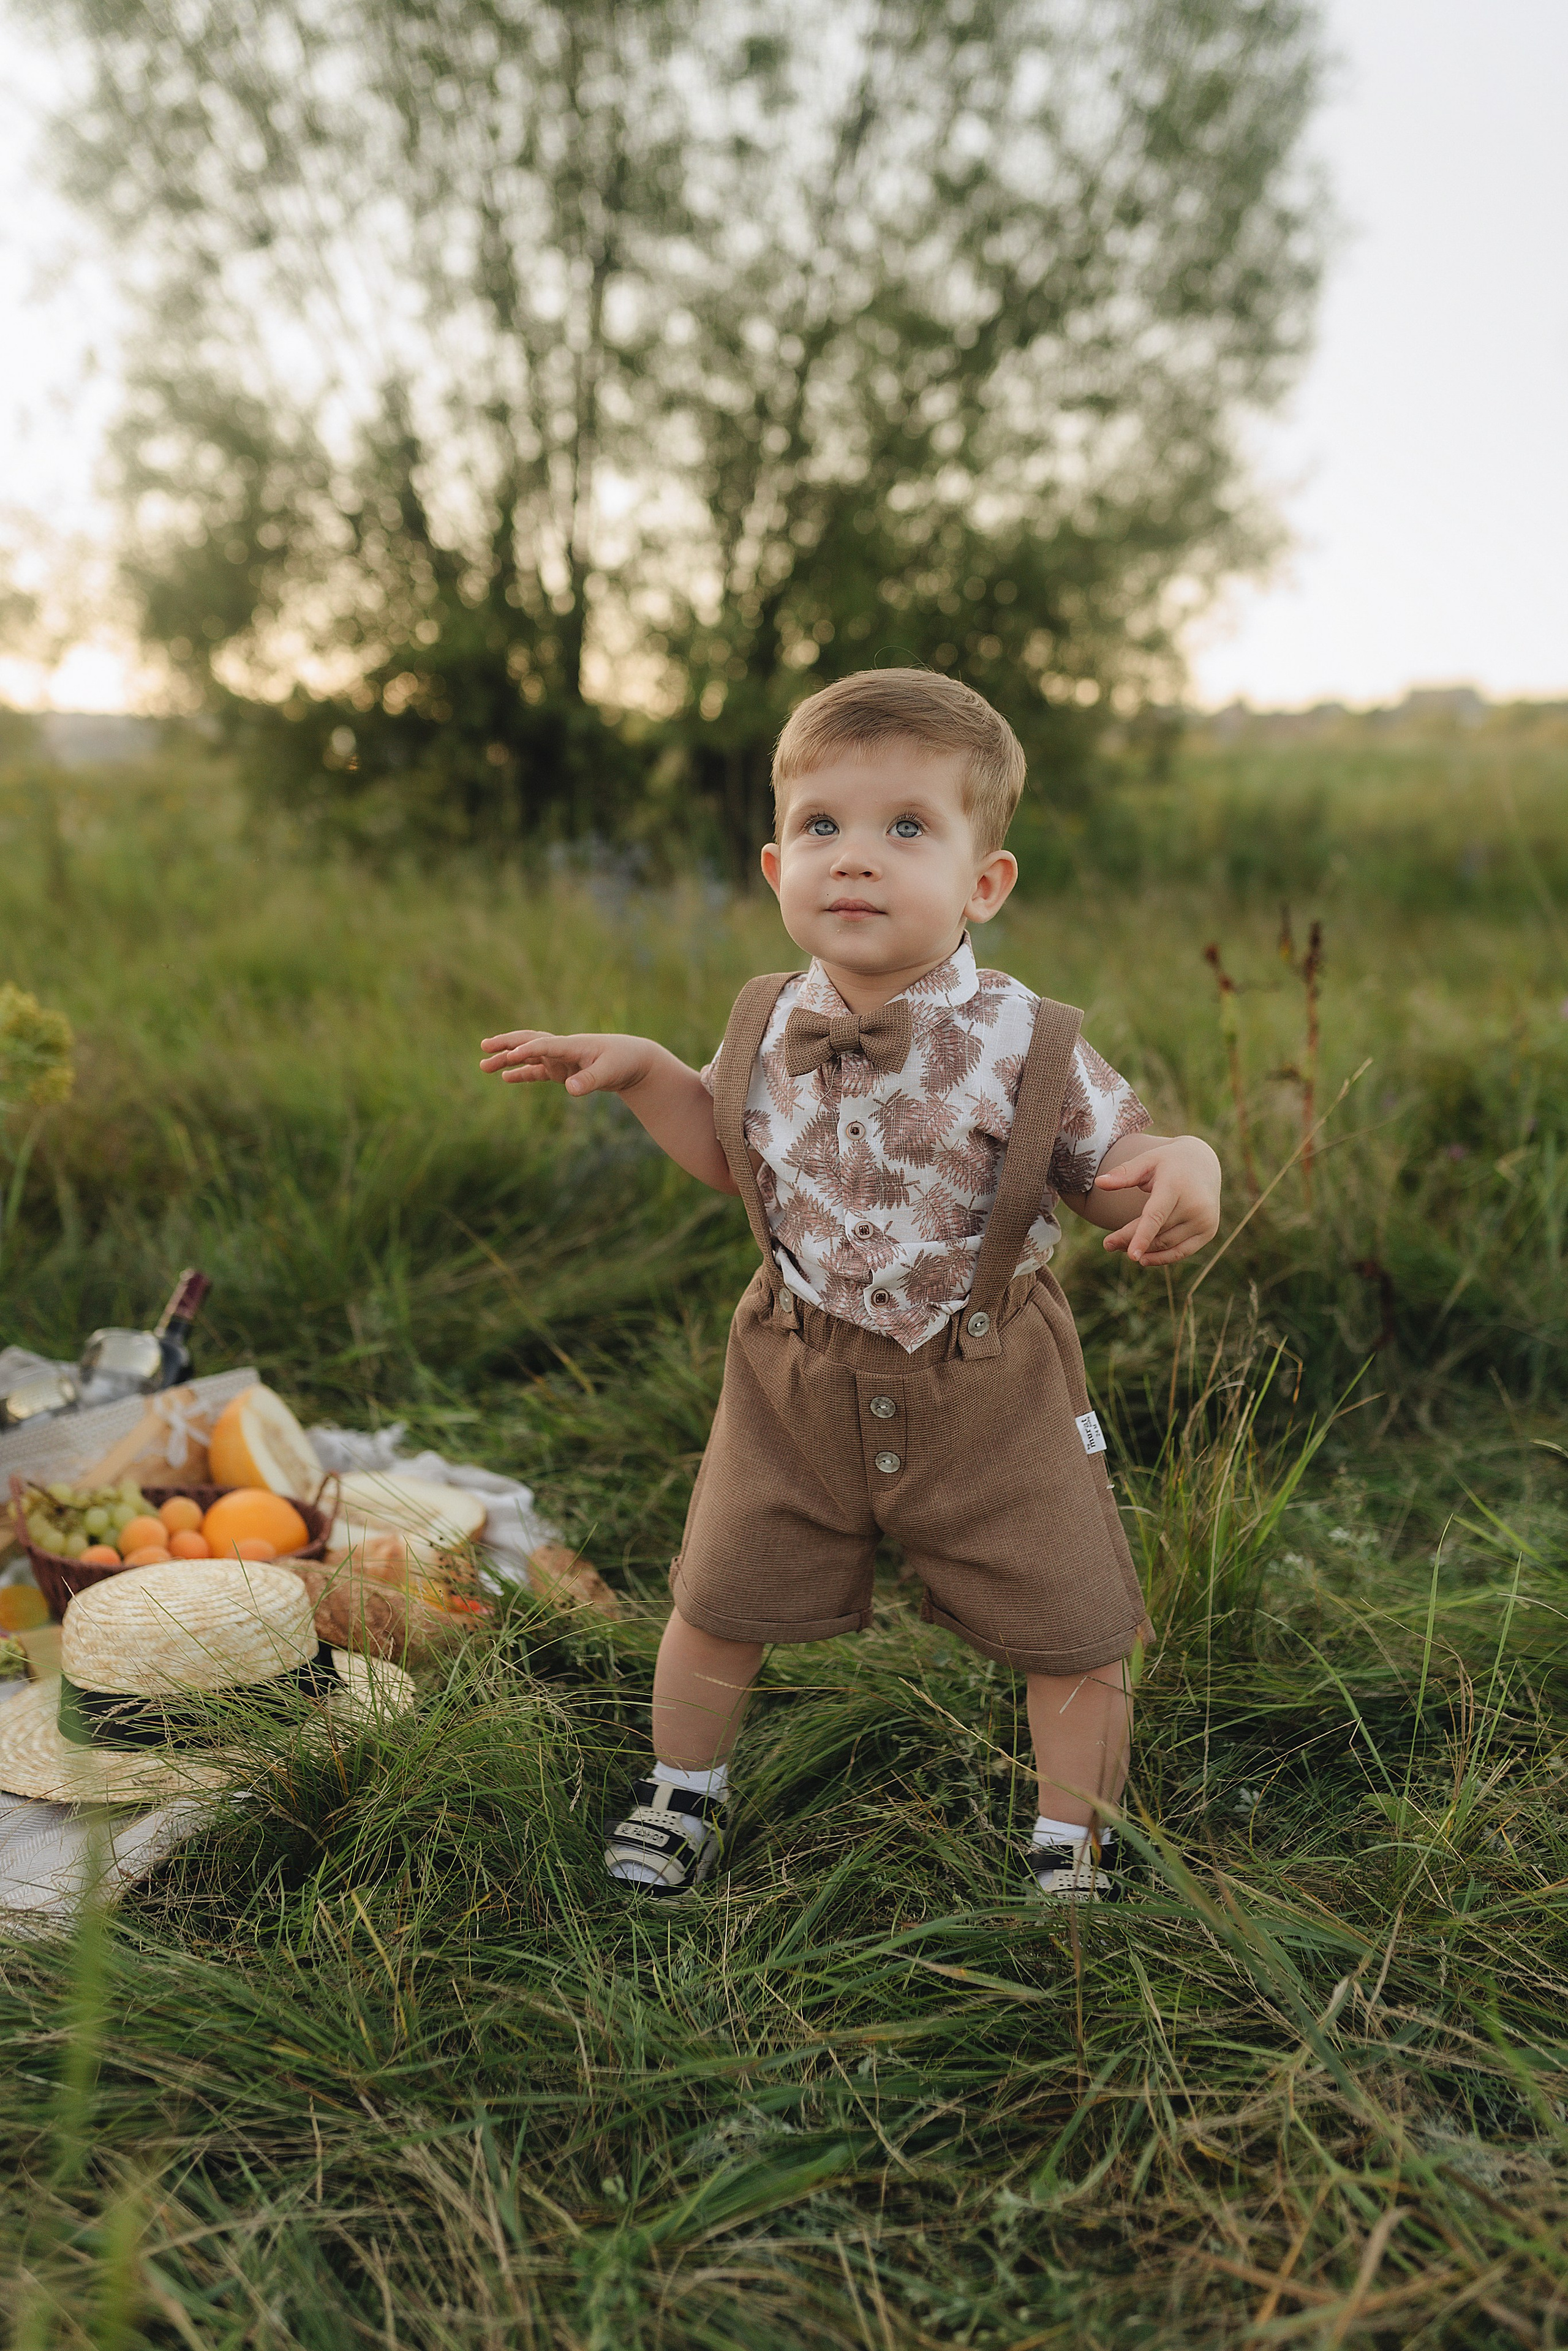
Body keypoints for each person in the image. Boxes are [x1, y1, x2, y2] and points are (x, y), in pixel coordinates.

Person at [480, 671, 1221, 1901]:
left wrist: (1180, 1163)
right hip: (793, 1370)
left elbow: (1109, 1174)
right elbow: (731, 1155)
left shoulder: (1026, 1039)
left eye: (907, 827)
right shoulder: (767, 1021)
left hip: (990, 1380)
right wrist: (651, 1073)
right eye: (822, 825)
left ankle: (1071, 1840)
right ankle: (683, 1787)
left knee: (1078, 1620)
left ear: (984, 882)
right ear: (778, 868)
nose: (856, 857)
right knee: (718, 1590)